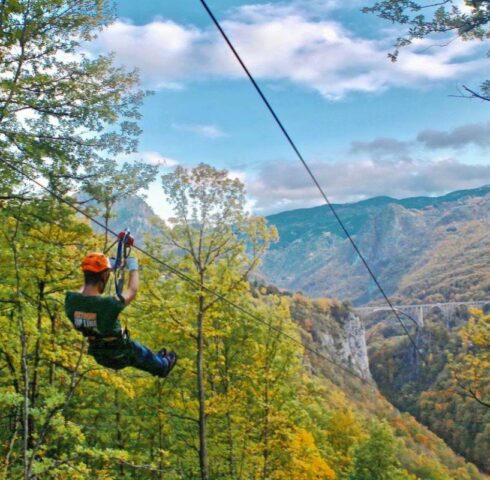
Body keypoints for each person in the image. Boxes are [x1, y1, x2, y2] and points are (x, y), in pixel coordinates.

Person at [65, 251, 177, 377]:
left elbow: (83, 291)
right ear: (104, 276)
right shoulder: (107, 305)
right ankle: (163, 366)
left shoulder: (70, 301)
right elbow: (132, 291)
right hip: (118, 353)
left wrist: (106, 269)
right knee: (139, 352)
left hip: (99, 353)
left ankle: (158, 362)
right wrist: (133, 266)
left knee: (139, 354)